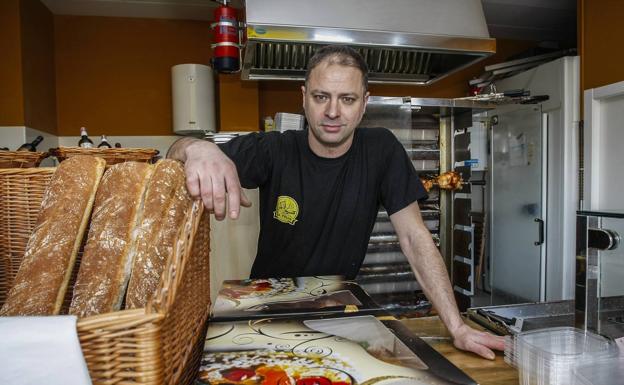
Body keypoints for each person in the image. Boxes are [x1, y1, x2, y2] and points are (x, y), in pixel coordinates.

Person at [168, 45, 504, 359]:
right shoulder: (275, 149)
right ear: (304, 98)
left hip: (337, 308)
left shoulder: (382, 150)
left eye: (347, 99)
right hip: (266, 306)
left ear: (364, 103)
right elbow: (173, 158)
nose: (332, 111)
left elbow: (416, 239)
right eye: (320, 97)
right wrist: (196, 148)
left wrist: (457, 326)